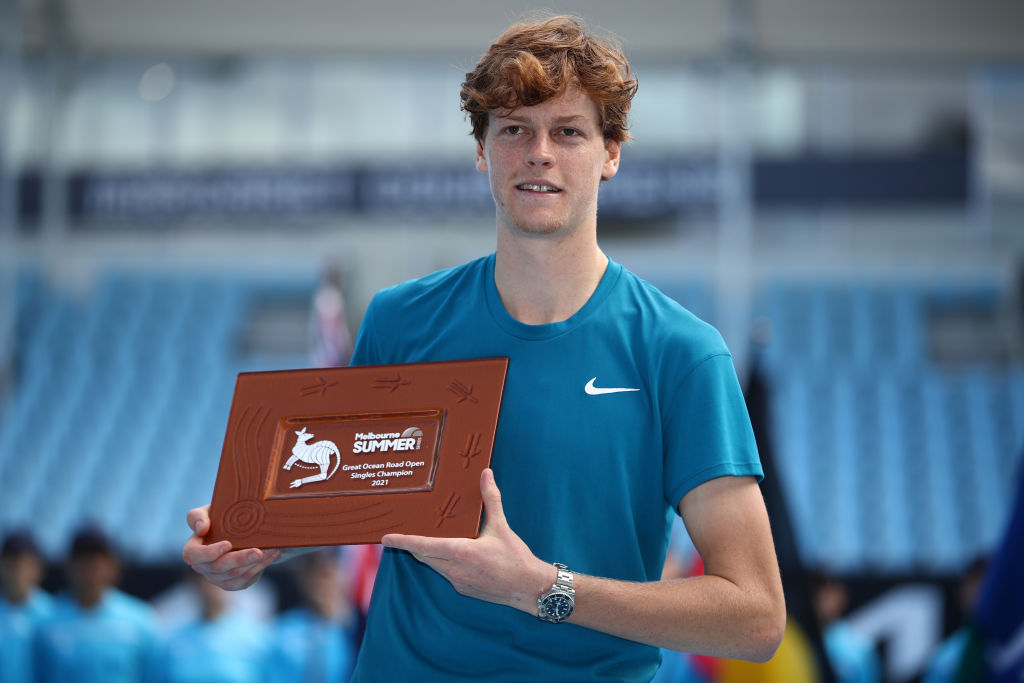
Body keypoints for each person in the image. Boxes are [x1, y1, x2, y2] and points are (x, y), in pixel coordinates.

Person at [184, 14, 785, 681]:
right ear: (482, 149)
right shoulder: (401, 320)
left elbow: (755, 616)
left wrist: (542, 587)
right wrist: (258, 541)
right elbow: (349, 497)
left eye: (569, 132)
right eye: (514, 130)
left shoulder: (681, 353)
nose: (539, 153)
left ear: (611, 153)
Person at [34, 526, 160, 683]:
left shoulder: (140, 620)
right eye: (83, 562)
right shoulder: (47, 625)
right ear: (69, 566)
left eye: (97, 562)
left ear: (113, 566)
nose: (91, 570)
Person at [264, 549, 358, 681]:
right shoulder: (283, 628)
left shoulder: (351, 626)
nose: (321, 585)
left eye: (326, 576)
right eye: (314, 577)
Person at [159, 574, 269, 683]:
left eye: (219, 578)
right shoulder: (174, 638)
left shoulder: (257, 638)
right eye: (204, 579)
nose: (210, 586)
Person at [0, 529, 53, 682]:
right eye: (11, 563)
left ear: (38, 568)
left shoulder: (53, 613)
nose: (18, 570)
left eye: (25, 563)